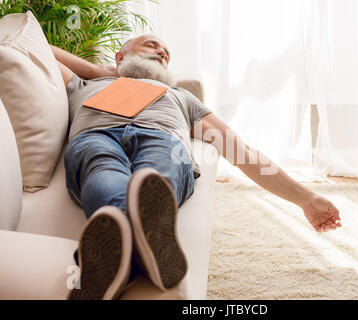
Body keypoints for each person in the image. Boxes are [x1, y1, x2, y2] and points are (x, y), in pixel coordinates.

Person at [51, 34, 341, 300]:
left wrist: (306, 199)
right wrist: (100, 71)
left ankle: (116, 252)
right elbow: (33, 46)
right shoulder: (84, 83)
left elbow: (243, 152)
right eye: (151, 45)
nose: (162, 51)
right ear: (120, 56)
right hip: (96, 136)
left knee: (156, 173)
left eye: (166, 52)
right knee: (101, 169)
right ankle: (135, 242)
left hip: (161, 138)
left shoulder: (182, 97)